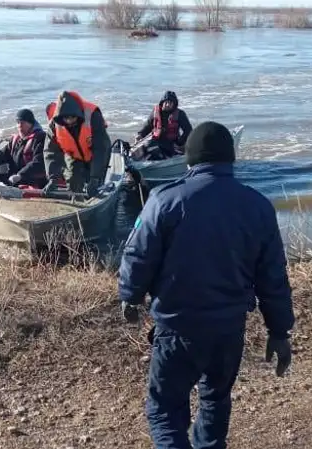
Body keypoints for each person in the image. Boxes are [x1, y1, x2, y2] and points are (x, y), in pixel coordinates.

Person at [117, 121, 295, 449]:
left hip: (176, 327)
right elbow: (273, 277)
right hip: (227, 329)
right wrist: (279, 331)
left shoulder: (164, 199)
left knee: (166, 411)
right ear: (231, 159)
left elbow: (138, 254)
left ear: (189, 159)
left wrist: (131, 294)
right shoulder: (258, 206)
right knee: (215, 401)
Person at [43, 91, 111, 196]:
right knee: (73, 181)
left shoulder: (93, 115)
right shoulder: (54, 124)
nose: (69, 121)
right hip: (74, 155)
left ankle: (97, 194)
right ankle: (77, 203)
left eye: (72, 117)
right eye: (66, 118)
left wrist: (95, 178)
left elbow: (100, 148)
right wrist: (53, 178)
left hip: (97, 151)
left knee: (96, 185)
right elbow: (51, 152)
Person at [0, 109, 47, 188]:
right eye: (18, 122)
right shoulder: (16, 139)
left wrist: (20, 175)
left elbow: (39, 163)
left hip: (32, 181)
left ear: (31, 124)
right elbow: (2, 154)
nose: (20, 125)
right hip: (14, 178)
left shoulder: (40, 138)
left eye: (23, 122)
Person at [133, 91, 192, 161]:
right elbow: (148, 126)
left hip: (171, 142)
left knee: (155, 150)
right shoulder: (155, 112)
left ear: (174, 104)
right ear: (162, 102)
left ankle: (163, 159)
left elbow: (188, 131)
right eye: (166, 102)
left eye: (170, 103)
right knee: (146, 146)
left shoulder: (180, 114)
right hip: (156, 140)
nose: (167, 105)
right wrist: (140, 135)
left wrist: (179, 143)